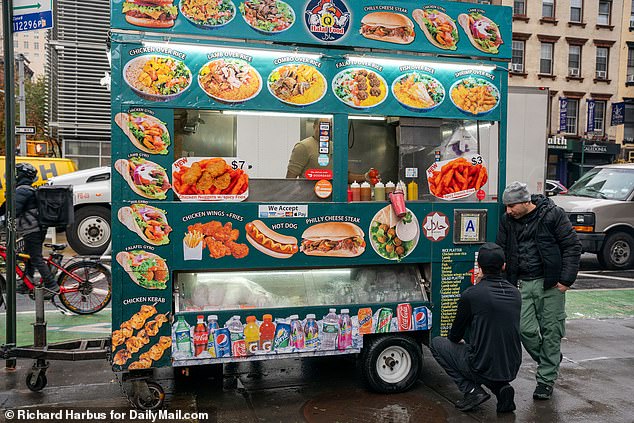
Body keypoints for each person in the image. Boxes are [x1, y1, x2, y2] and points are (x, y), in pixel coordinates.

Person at [497, 181, 581, 400]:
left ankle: (545, 380)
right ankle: (550, 359)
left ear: (525, 202)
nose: (508, 211)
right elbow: (501, 248)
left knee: (551, 331)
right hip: (522, 283)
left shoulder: (553, 214)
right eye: (506, 206)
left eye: (511, 206)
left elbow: (572, 246)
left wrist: (566, 280)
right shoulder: (508, 220)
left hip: (551, 283)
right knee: (524, 330)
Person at [430, 243, 522, 413]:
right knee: (487, 352)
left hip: (481, 365)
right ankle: (500, 388)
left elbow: (455, 336)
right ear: (503, 266)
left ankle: (472, 391)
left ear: (479, 267)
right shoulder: (515, 293)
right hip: (512, 366)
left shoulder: (472, 294)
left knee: (437, 343)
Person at [0, 163, 60, 300]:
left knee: (35, 257)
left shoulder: (23, 191)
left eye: (16, 173)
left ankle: (52, 285)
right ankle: (27, 281)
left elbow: (12, 211)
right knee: (27, 255)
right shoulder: (22, 190)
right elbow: (4, 208)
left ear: (21, 176)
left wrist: (3, 222)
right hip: (32, 229)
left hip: (33, 230)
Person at [285, 119, 375, 183]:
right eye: (322, 125)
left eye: (329, 127)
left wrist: (364, 177)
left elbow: (344, 177)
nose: (325, 130)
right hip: (311, 200)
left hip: (333, 201)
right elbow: (290, 179)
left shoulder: (336, 147)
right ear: (314, 126)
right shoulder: (303, 146)